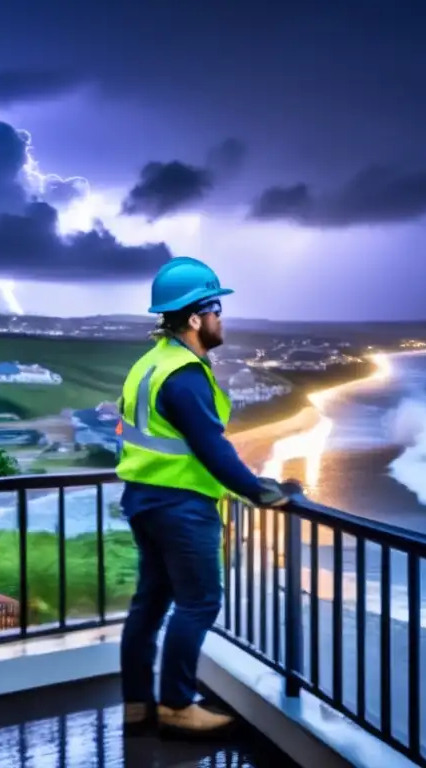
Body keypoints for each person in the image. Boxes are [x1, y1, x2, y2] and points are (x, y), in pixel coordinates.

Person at [117, 256, 291, 740]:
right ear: (195, 318)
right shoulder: (185, 374)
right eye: (216, 309)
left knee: (149, 604)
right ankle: (176, 706)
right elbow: (213, 449)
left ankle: (137, 705)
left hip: (144, 499)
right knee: (200, 603)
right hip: (180, 505)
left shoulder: (148, 364)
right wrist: (262, 492)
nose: (221, 319)